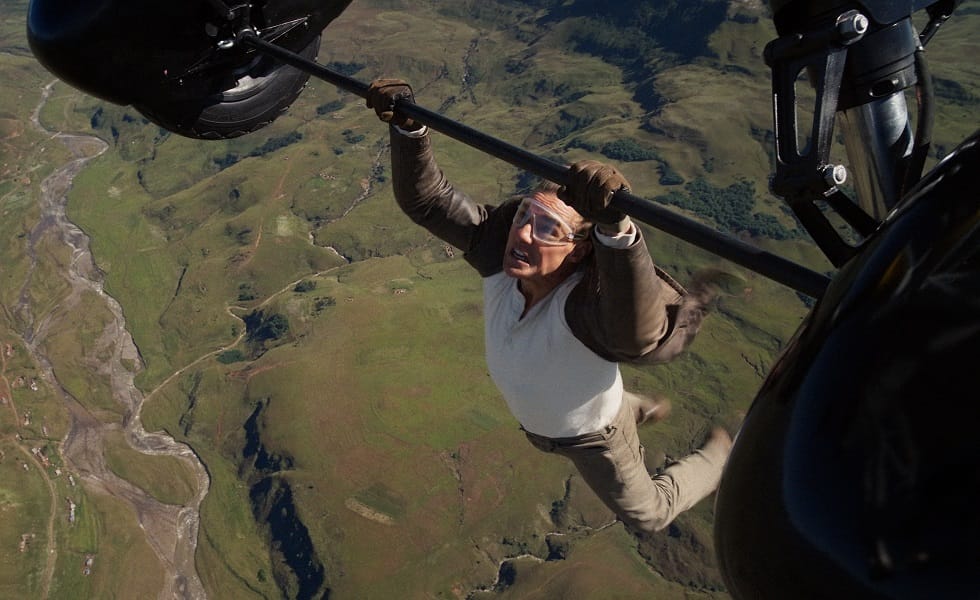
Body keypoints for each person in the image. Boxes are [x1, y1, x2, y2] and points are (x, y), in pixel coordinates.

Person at [366, 78, 733, 535]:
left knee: (651, 515)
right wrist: (408, 128)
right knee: (605, 401)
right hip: (551, 420)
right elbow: (429, 202)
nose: (522, 234)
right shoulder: (500, 262)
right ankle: (639, 407)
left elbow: (637, 332)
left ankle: (720, 457)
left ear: (578, 252)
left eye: (546, 229)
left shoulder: (584, 310)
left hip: (593, 438)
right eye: (524, 216)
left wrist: (616, 231)